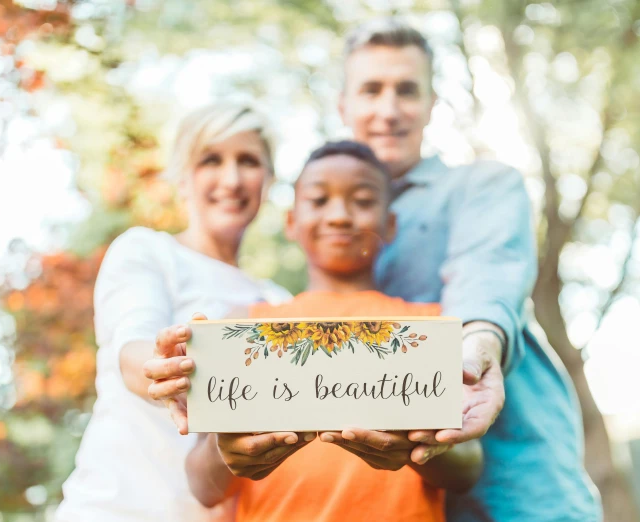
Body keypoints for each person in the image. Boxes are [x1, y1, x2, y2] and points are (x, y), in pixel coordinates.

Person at [149, 18, 602, 522]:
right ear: (344, 105)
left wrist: (478, 346)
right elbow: (214, 456)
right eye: (371, 90)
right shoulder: (264, 317)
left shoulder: (481, 187)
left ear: (433, 104)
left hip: (521, 492)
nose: (388, 110)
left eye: (407, 90)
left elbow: (486, 281)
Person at [148, 140, 482, 522]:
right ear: (291, 222)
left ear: (390, 224)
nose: (339, 215)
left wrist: (422, 449)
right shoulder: (245, 327)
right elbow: (203, 487)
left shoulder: (431, 327)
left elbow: (468, 469)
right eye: (319, 200)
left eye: (362, 200)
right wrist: (226, 455)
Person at [55, 102, 290, 522]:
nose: (232, 179)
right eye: (211, 160)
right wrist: (171, 366)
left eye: (249, 161)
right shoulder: (149, 252)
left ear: (268, 180)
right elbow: (131, 355)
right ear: (183, 176)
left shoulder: (279, 302)